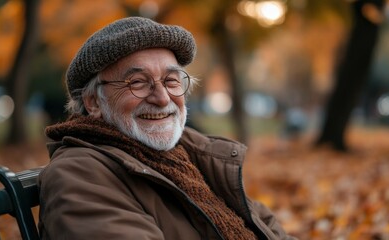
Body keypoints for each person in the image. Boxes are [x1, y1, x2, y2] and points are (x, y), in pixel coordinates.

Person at [38, 16, 295, 240]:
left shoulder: (192, 152)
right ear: (93, 102)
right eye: (138, 82)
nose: (162, 98)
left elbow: (267, 228)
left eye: (171, 81)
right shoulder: (80, 174)